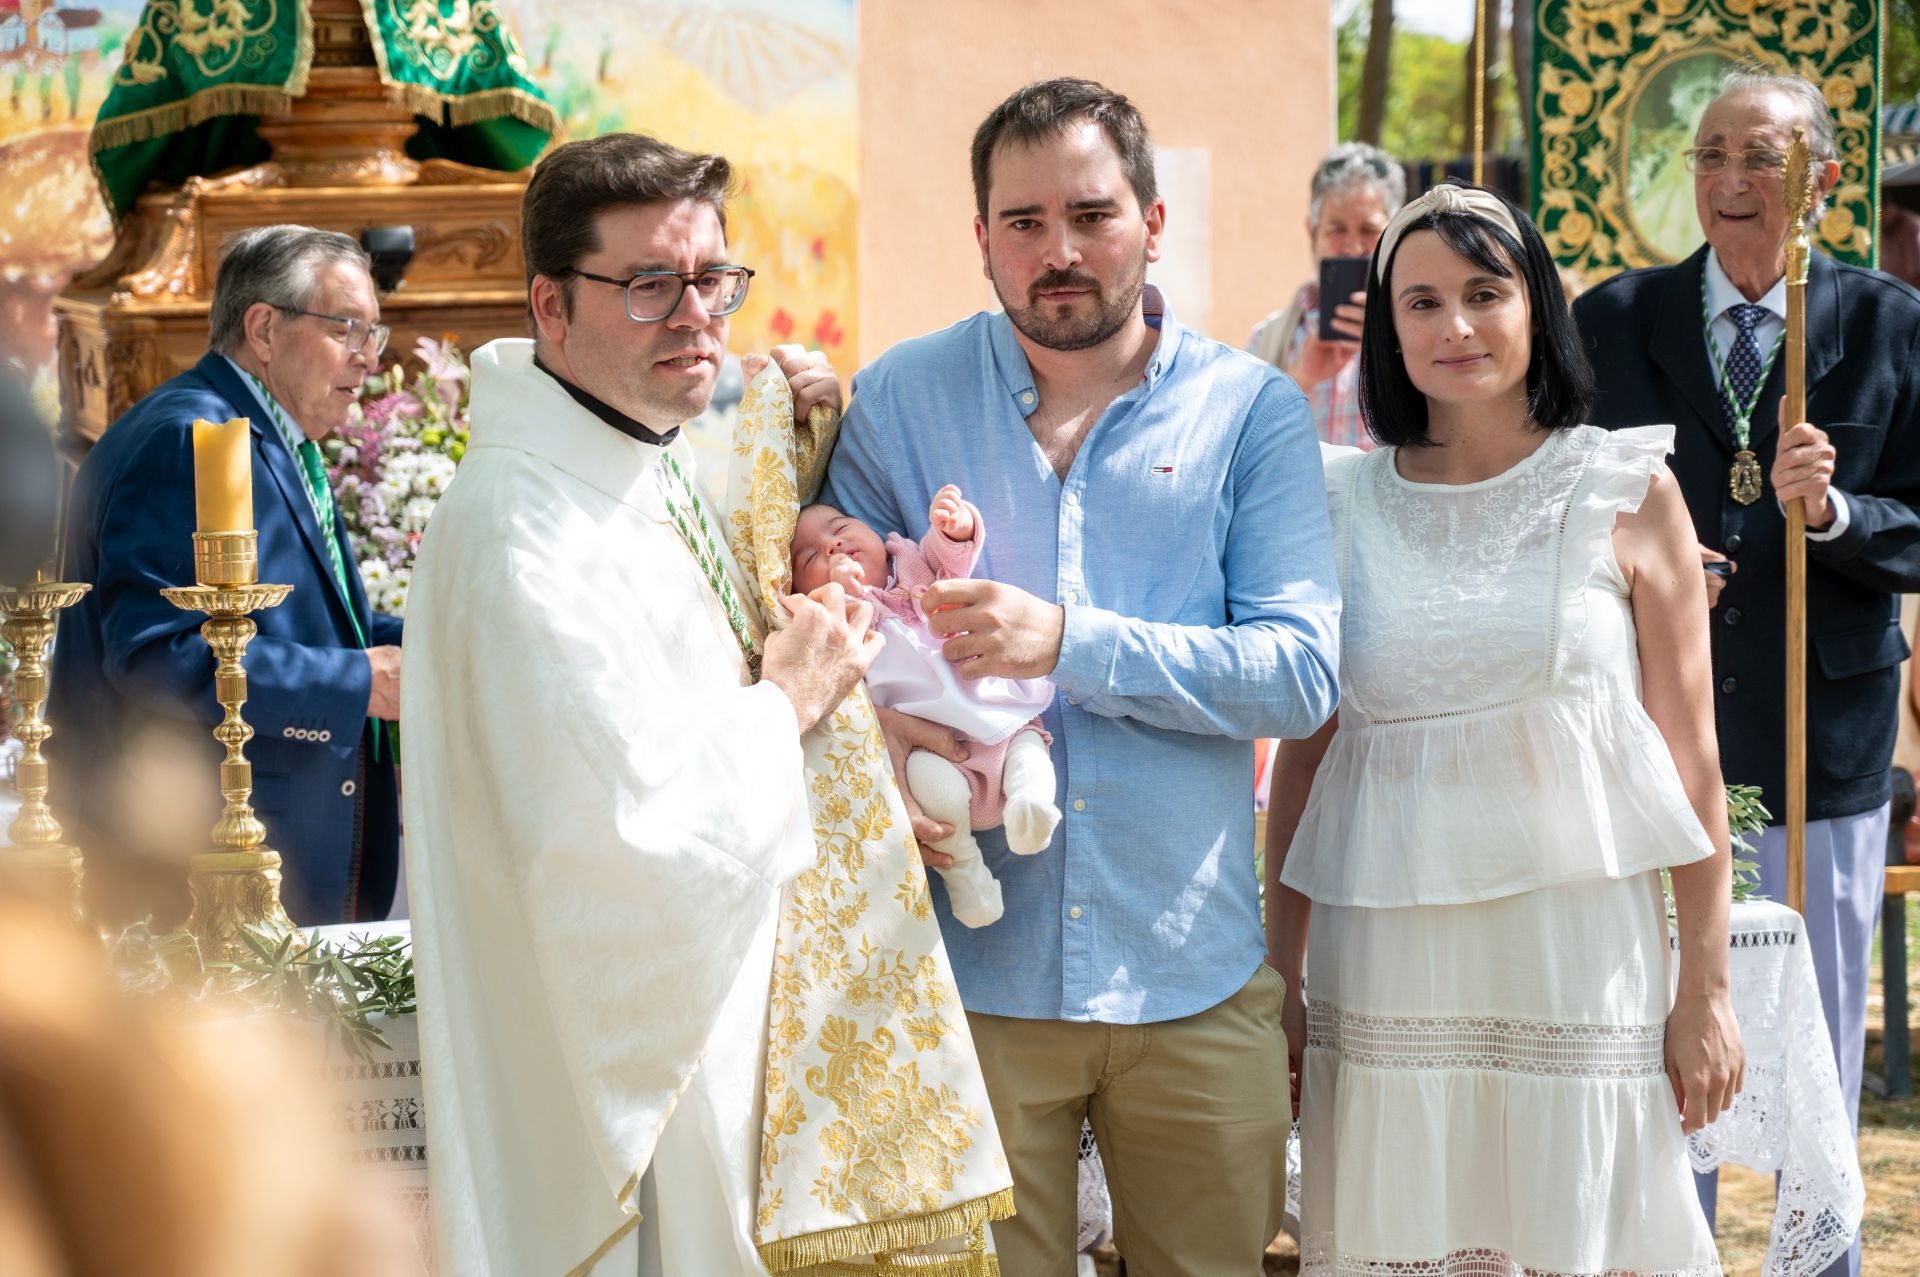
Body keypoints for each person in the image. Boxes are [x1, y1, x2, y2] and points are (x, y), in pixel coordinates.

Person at [824, 77, 1340, 1275]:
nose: (1059, 251)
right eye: (1024, 222)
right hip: (968, 988)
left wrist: (1069, 643)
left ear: (1152, 222)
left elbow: (1301, 674)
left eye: (1092, 215)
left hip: (1194, 976)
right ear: (983, 239)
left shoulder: (1247, 413)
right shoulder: (900, 399)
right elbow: (829, 610)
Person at [398, 133, 880, 1275]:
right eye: (652, 283)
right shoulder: (524, 535)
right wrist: (789, 701)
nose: (698, 315)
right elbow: (628, 838)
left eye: (714, 278)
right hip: (622, 1086)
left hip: (707, 1034)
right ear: (551, 307)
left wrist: (797, 465)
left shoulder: (626, 456)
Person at [1267, 180, 1741, 1273]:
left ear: (1539, 304)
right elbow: (1307, 758)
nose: (1457, 327)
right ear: (1387, 325)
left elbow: (1691, 759)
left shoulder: (1625, 484)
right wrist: (1279, 979)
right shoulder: (1339, 499)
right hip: (1385, 967)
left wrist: (1703, 988)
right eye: (1421, 301)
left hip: (1577, 961)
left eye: (1486, 292)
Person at [1573, 71, 1920, 1275]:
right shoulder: (1612, 318)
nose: (1729, 179)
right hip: (1651, 733)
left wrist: (1834, 517)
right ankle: (1671, 1249)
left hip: (1817, 737)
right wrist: (1635, 569)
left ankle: (1813, 1254)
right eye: (1711, 153)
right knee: (1671, 1011)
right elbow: (1559, 500)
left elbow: (1919, 524)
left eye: (1759, 155)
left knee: (1812, 1017)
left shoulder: (1887, 326)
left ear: (1821, 177)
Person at [50, 226, 404, 926]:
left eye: (375, 334)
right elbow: (159, 656)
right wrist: (361, 683)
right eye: (348, 329)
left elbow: (305, 620)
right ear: (265, 329)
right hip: (201, 870)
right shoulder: (188, 438)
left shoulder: (267, 431)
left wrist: (449, 629)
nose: (367, 359)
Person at [790, 488, 1060, 927]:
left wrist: (956, 526)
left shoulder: (914, 565)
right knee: (930, 787)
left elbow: (951, 558)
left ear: (876, 535)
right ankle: (967, 875)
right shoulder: (845, 621)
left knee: (1029, 747)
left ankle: (1028, 806)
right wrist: (842, 596)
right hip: (937, 754)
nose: (833, 545)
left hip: (995, 713)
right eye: (810, 558)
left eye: (840, 529)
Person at [1247, 141, 1405, 450]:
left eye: (1368, 230)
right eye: (1337, 229)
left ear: (1394, 234)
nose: (1353, 246)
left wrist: (1392, 345)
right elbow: (1238, 446)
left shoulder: (1418, 331)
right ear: (1312, 231)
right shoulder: (1267, 338)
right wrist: (1299, 378)